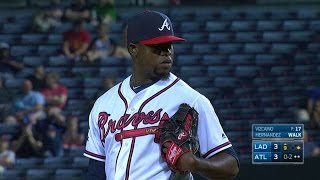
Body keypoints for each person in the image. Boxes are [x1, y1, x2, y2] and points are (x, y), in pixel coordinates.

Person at [84, 11, 239, 180]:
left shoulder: (192, 99)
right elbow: (96, 171)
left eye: (169, 45)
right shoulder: (104, 104)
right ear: (134, 49)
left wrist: (196, 163)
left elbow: (230, 166)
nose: (167, 52)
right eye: (157, 47)